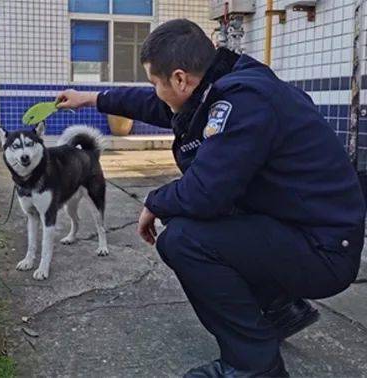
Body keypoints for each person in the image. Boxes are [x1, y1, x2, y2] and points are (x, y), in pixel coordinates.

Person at [56, 19, 366, 377]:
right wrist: (90, 98)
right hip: (301, 228)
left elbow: (205, 192)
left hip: (323, 251)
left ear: (179, 79)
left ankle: (253, 365)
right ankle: (280, 310)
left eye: (156, 82)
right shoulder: (218, 83)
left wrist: (155, 201)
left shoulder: (243, 103)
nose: (154, 91)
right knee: (188, 217)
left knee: (184, 239)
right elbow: (155, 106)